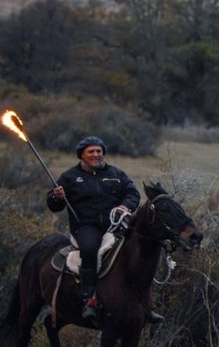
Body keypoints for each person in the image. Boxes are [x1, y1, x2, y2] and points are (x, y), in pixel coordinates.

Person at [47, 136, 162, 324]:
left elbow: (132, 193)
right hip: (85, 227)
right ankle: (88, 301)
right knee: (90, 250)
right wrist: (56, 197)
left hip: (115, 226)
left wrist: (126, 206)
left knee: (139, 249)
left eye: (99, 151)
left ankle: (146, 305)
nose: (96, 155)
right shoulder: (69, 177)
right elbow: (54, 206)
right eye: (91, 152)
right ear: (82, 155)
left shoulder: (117, 174)